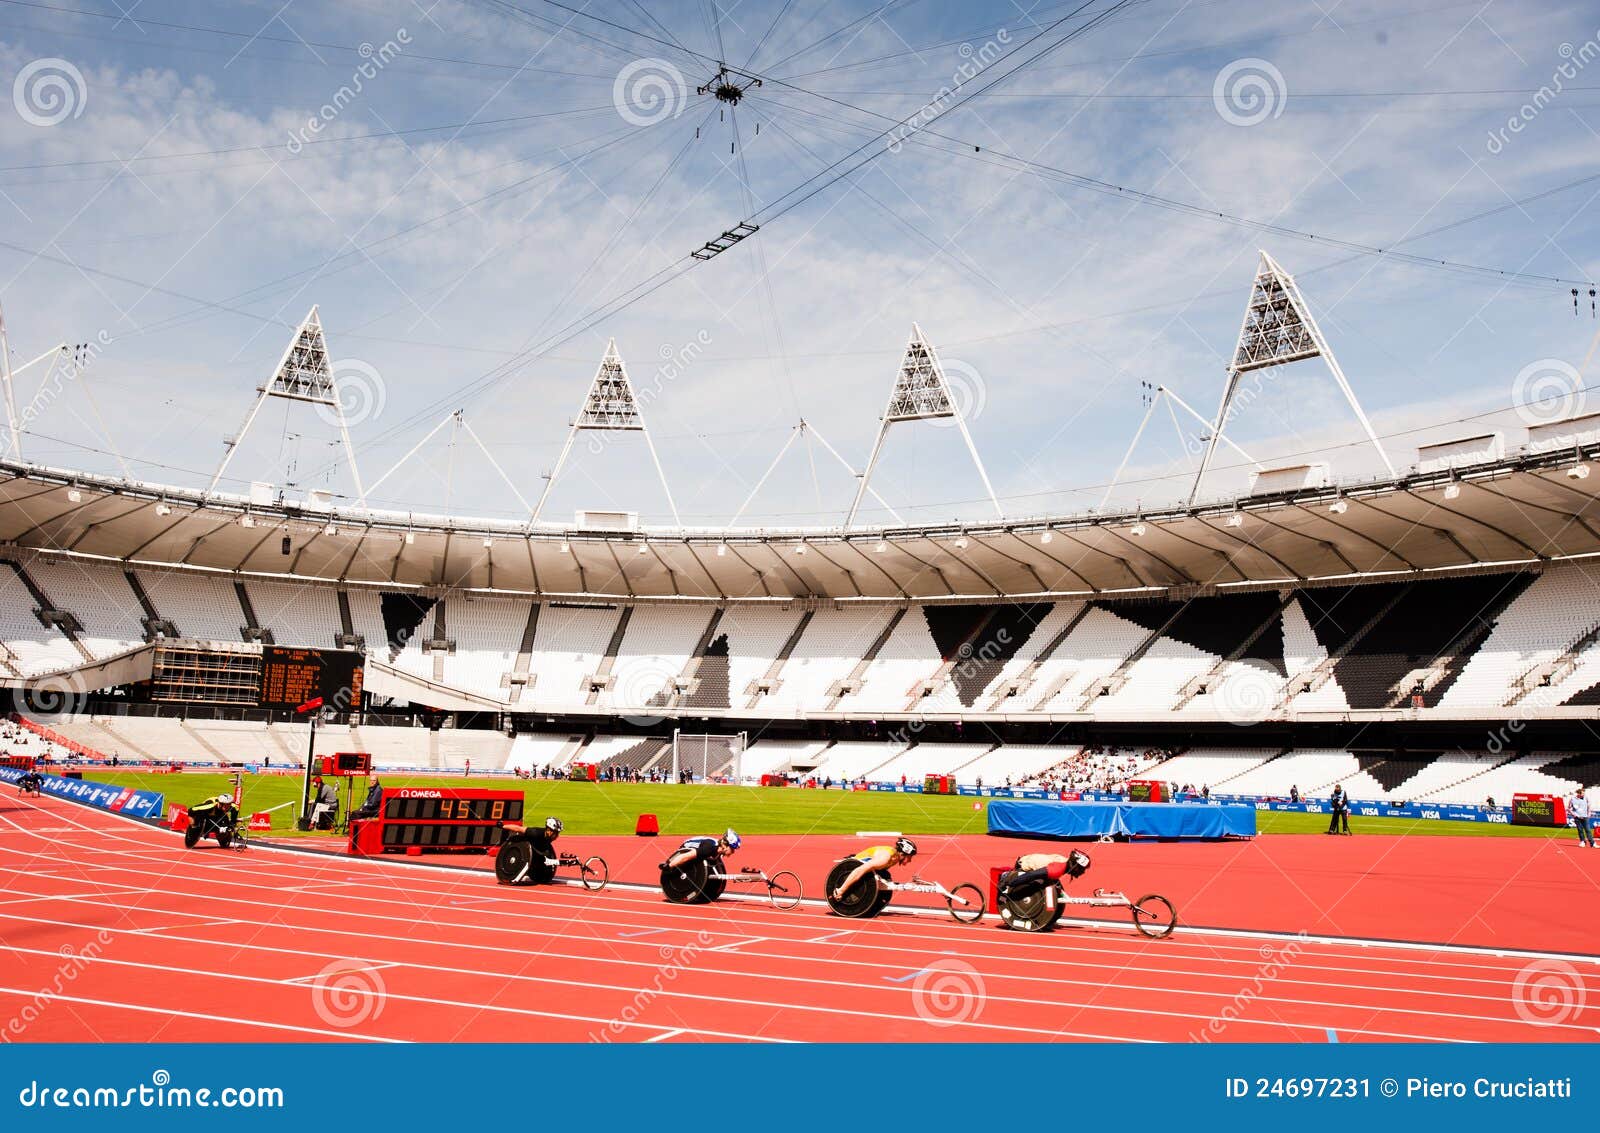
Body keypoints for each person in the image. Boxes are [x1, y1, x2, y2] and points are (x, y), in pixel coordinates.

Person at [831, 837, 917, 901]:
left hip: (863, 868)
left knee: (885, 875)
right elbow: (860, 870)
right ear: (903, 854)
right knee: (883, 874)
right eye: (909, 857)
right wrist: (841, 890)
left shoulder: (894, 857)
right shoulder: (885, 858)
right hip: (851, 868)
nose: (910, 860)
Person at [1000, 850, 1085, 899]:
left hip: (1032, 859)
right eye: (1082, 869)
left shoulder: (1065, 861)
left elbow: (1054, 879)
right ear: (1074, 866)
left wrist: (1063, 895)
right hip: (1023, 864)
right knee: (1040, 881)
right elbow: (1031, 875)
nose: (1083, 872)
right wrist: (1008, 883)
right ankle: (1006, 875)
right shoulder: (1057, 869)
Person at [664, 829, 740, 872]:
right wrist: (669, 865)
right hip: (685, 850)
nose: (733, 852)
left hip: (699, 848)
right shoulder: (710, 848)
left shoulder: (718, 851)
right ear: (725, 845)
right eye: (732, 849)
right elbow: (685, 856)